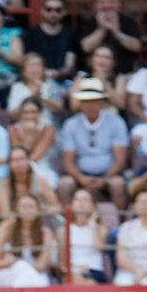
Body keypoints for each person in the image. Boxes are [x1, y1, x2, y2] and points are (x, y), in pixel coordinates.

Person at [57, 78, 129, 206]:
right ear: (81, 103)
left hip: (108, 174)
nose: (90, 105)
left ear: (101, 102)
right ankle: (67, 223)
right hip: (80, 174)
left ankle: (118, 223)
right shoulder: (71, 124)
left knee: (118, 184)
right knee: (64, 184)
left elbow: (120, 159)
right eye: (86, 101)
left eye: (94, 101)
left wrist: (105, 178)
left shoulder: (116, 122)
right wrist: (80, 178)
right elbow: (68, 159)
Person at [0, 192, 55, 286]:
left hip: (35, 273)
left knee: (25, 270)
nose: (27, 210)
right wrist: (6, 262)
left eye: (31, 206)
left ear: (38, 209)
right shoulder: (7, 227)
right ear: (17, 210)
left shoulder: (45, 232)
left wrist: (22, 264)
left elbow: (42, 265)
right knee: (22, 269)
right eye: (23, 207)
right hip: (8, 271)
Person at [78, 0, 143, 76]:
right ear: (96, 5)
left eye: (111, 1)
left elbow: (137, 46)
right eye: (102, 2)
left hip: (125, 74)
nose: (107, 5)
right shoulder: (89, 22)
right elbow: (86, 47)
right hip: (94, 75)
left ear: (119, 4)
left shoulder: (129, 21)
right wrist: (101, 29)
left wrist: (117, 32)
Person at [0, 144, 59, 219]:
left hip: (39, 222)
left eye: (21, 158)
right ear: (9, 164)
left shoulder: (40, 181)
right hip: (14, 223)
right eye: (14, 160)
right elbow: (5, 214)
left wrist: (42, 210)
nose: (18, 163)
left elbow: (56, 206)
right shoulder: (3, 185)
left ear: (28, 160)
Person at [25, 0, 80, 84]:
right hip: (37, 80)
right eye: (48, 9)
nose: (53, 13)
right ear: (42, 11)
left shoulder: (70, 35)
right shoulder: (31, 34)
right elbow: (28, 61)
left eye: (58, 10)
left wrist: (58, 73)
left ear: (64, 12)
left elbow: (70, 65)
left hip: (64, 82)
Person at [65, 186, 108, 282]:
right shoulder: (63, 230)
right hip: (72, 270)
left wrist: (93, 226)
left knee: (89, 282)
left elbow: (99, 248)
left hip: (94, 270)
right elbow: (61, 260)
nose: (81, 203)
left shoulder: (101, 229)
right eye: (77, 200)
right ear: (72, 204)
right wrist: (75, 266)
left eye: (85, 200)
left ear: (93, 205)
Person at [9, 53, 65, 125]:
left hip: (49, 127)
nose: (34, 69)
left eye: (38, 65)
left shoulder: (51, 84)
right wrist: (30, 99)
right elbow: (12, 116)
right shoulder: (17, 87)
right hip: (22, 128)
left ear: (44, 69)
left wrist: (41, 98)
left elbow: (59, 109)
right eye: (30, 65)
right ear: (23, 71)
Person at [8, 98, 58, 176]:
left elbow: (37, 155)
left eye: (33, 112)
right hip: (19, 165)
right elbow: (18, 154)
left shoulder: (49, 129)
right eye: (26, 112)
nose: (30, 116)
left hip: (43, 165)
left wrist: (30, 136)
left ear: (40, 113)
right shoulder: (13, 129)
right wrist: (28, 136)